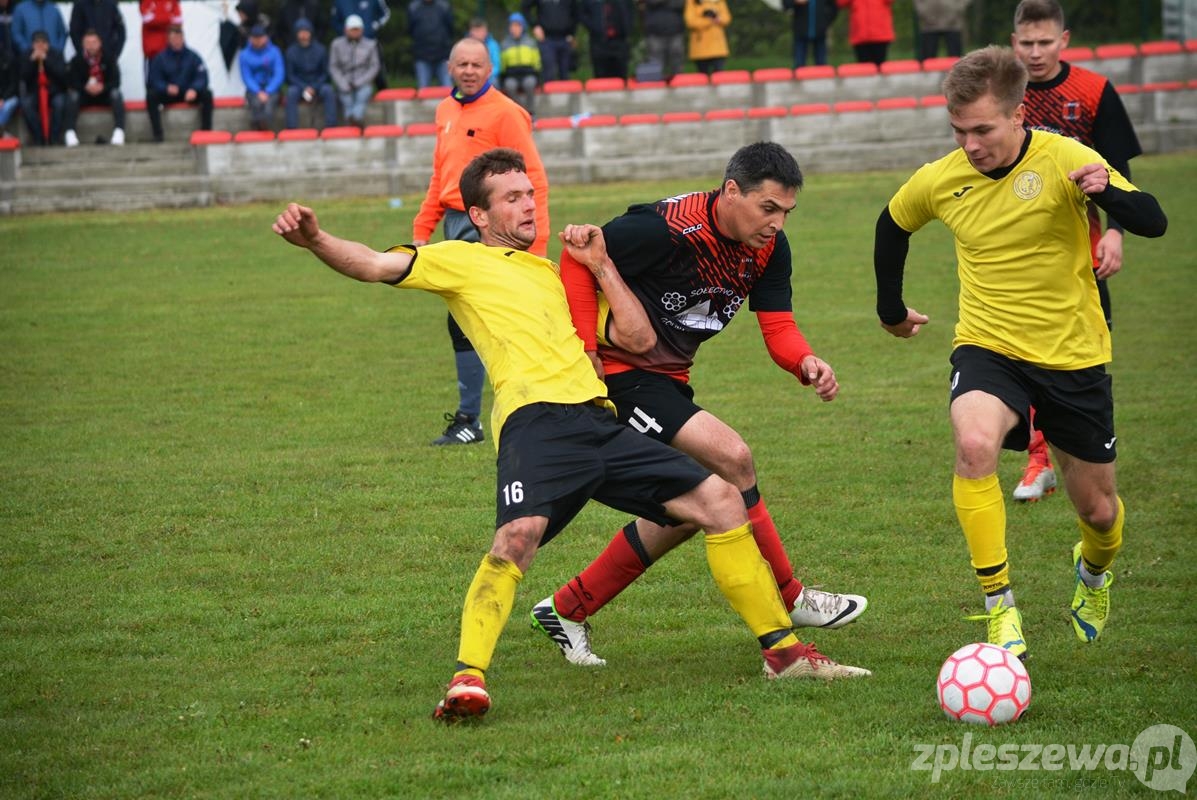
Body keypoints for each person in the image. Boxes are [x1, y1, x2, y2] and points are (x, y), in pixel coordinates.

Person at [272, 148, 872, 722]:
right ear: (478, 215)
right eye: (511, 198)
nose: (528, 205)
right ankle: (468, 678)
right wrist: (317, 240)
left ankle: (786, 657)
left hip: (600, 420)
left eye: (530, 193)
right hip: (537, 423)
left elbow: (638, 340)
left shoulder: (556, 276)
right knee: (517, 539)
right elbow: (373, 264)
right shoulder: (458, 259)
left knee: (718, 499)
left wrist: (600, 265)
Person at [872, 46, 1166, 660]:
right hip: (989, 346)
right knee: (974, 445)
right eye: (958, 130)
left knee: (1100, 513)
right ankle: (1000, 608)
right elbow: (892, 224)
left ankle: (1093, 574)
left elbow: (1154, 220)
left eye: (982, 130)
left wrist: (1109, 193)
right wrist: (891, 310)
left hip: (1072, 354)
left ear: (1017, 114)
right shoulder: (942, 177)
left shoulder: (1066, 158)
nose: (969, 144)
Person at [531, 142, 869, 665]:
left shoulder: (768, 249)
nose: (777, 223)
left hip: (667, 382)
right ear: (732, 191)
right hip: (621, 376)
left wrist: (804, 361)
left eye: (786, 212)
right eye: (768, 208)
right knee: (733, 458)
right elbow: (579, 258)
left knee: (697, 507)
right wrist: (586, 351)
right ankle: (789, 596)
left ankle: (568, 607)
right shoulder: (662, 228)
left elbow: (778, 326)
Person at [1008, 0, 1144, 503]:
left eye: (1045, 42)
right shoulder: (1003, 94)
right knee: (1020, 358)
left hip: (1081, 255)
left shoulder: (1092, 91)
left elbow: (1119, 173)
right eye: (1026, 43)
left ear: (1063, 40)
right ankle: (1039, 462)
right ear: (1013, 42)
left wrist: (1116, 232)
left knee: (1082, 363)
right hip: (1014, 254)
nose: (1035, 52)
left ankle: (1087, 456)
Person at [412, 37, 550, 447]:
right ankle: (473, 418)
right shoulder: (445, 110)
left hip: (491, 227)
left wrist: (536, 244)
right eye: (462, 64)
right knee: (464, 321)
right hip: (455, 223)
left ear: (490, 69)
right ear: (450, 68)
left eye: (477, 64)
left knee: (499, 320)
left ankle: (499, 413)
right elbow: (441, 176)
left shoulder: (506, 113)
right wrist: (422, 229)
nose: (469, 71)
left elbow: (533, 179)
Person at [145, 23, 213, 142]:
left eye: (178, 38)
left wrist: (194, 89)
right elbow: (154, 79)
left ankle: (206, 132)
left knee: (207, 94)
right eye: (173, 38)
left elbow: (202, 77)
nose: (176, 41)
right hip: (169, 94)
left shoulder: (193, 57)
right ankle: (158, 134)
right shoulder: (160, 58)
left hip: (188, 93)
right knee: (151, 96)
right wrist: (166, 87)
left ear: (183, 38)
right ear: (168, 40)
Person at [64, 28, 124, 146]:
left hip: (104, 94)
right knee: (72, 96)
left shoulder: (109, 58)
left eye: (94, 42)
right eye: (88, 43)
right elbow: (72, 82)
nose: (91, 46)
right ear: (83, 44)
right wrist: (85, 87)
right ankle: (70, 132)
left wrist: (103, 87)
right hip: (85, 95)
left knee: (116, 94)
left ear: (100, 43)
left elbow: (116, 81)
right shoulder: (76, 60)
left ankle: (119, 131)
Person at [284, 18, 336, 130]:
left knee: (328, 90)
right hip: (299, 85)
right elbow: (290, 75)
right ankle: (291, 127)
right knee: (291, 92)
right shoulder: (291, 51)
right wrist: (304, 87)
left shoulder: (321, 50)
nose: (303, 35)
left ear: (310, 32)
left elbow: (325, 73)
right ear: (296, 33)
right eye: (300, 32)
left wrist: (314, 87)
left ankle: (331, 126)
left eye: (306, 31)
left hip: (317, 84)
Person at [329, 14, 378, 128]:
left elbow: (374, 67)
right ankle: (355, 122)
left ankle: (354, 118)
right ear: (346, 30)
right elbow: (333, 66)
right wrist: (342, 83)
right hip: (344, 81)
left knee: (363, 94)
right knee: (347, 99)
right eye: (352, 29)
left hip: (363, 82)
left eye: (357, 29)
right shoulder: (336, 44)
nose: (355, 32)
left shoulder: (370, 45)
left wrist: (360, 82)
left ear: (362, 30)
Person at [18, 29, 67, 144]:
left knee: (59, 103)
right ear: (32, 45)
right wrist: (32, 61)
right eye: (37, 43)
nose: (40, 46)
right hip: (34, 92)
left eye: (43, 43)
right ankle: (38, 136)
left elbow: (62, 76)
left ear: (48, 44)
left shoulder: (56, 54)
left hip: (54, 91)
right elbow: (23, 77)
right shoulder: (27, 55)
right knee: (26, 104)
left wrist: (47, 60)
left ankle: (54, 137)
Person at [330, 0, 389, 90]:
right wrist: (345, 33)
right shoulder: (339, 1)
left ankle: (383, 93)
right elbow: (335, 20)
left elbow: (385, 14)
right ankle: (344, 90)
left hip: (369, 40)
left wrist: (372, 27)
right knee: (346, 69)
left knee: (377, 70)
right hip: (346, 43)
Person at [520, 0, 578, 83]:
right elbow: (525, 7)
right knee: (549, 74)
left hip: (565, 39)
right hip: (546, 39)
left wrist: (572, 33)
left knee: (565, 75)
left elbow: (576, 12)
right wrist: (534, 26)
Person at [240, 23, 284, 132]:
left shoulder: (274, 51)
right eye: (255, 38)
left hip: (272, 88)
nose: (258, 41)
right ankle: (258, 131)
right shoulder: (244, 55)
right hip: (254, 89)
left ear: (266, 38)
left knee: (269, 107)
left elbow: (279, 74)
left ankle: (266, 130)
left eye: (260, 38)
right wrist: (258, 91)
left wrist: (268, 91)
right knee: (256, 104)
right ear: (250, 39)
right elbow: (246, 76)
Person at [499, 12, 539, 118]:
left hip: (528, 73)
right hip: (512, 75)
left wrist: (537, 74)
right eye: (512, 25)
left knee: (530, 83)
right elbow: (502, 63)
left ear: (523, 27)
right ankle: (521, 111)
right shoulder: (504, 44)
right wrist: (503, 76)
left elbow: (537, 61)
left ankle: (531, 111)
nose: (515, 28)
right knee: (509, 85)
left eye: (518, 25)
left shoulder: (531, 42)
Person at [579, 0, 632, 80]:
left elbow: (630, 11)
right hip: (598, 43)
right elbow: (582, 13)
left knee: (621, 77)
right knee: (601, 77)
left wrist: (627, 29)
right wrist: (594, 27)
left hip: (619, 41)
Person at [407, 0, 453, 89]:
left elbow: (450, 28)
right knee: (423, 90)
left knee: (448, 88)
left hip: (443, 56)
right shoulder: (413, 7)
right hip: (422, 56)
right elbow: (410, 30)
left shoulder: (444, 6)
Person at [836, 0, 893, 66]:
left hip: (880, 34)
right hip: (860, 34)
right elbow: (841, 3)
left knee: (880, 66)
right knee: (864, 68)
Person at [640, 0, 685, 81]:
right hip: (655, 32)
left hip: (675, 30)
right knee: (655, 64)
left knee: (677, 61)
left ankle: (679, 83)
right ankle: (657, 84)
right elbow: (651, 2)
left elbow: (680, 3)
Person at [684, 0, 729, 76]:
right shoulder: (692, 2)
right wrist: (710, 20)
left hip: (718, 47)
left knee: (719, 76)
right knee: (702, 77)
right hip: (700, 48)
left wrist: (718, 19)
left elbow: (726, 18)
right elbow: (691, 22)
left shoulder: (719, 1)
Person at [788, 0, 837, 68]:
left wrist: (826, 22)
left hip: (820, 32)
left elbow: (833, 7)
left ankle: (821, 74)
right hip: (800, 31)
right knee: (799, 65)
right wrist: (795, 1)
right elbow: (786, 4)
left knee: (821, 65)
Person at [139, 0, 182, 68]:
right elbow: (147, 19)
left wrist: (156, 17)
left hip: (170, 51)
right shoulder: (146, 1)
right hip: (153, 52)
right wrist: (169, 17)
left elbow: (178, 21)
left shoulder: (173, 2)